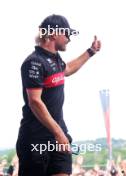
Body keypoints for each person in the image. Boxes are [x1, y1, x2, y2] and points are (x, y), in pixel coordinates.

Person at [16, 14, 101, 176]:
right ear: (53, 34)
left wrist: (90, 52)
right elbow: (35, 101)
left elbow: (67, 70)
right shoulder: (33, 62)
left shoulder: (55, 60)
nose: (69, 38)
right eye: (67, 33)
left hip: (58, 135)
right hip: (35, 137)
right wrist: (58, 133)